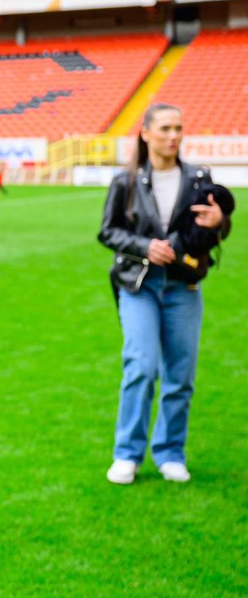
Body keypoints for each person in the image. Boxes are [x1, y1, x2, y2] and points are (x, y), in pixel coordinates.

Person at [98, 103, 231, 485]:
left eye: (178, 128)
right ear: (145, 133)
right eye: (165, 128)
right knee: (140, 365)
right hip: (138, 286)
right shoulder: (125, 181)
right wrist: (144, 247)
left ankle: (170, 451)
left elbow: (212, 231)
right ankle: (127, 453)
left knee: (181, 374)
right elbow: (107, 232)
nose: (173, 136)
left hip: (185, 285)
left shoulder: (198, 178)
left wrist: (220, 222)